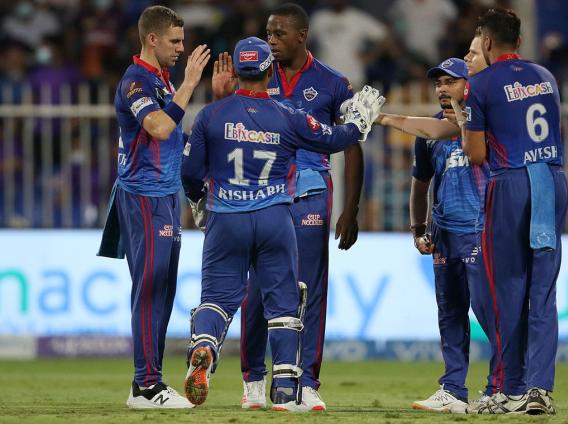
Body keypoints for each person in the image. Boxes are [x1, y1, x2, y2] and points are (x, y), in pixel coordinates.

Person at [180, 36, 384, 411]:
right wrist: (359, 121)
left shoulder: (211, 115)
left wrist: (198, 199)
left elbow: (189, 172)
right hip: (275, 217)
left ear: (236, 72)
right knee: (284, 303)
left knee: (218, 299)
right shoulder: (288, 115)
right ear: (269, 71)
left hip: (226, 217)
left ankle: (205, 346)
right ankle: (288, 390)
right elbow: (335, 138)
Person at [233, 3, 364, 411]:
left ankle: (306, 381)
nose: (271, 40)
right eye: (268, 32)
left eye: (279, 33)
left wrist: (351, 208)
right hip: (261, 192)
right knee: (257, 289)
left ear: (302, 36)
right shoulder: (256, 77)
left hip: (310, 192)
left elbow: (351, 143)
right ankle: (254, 378)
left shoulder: (331, 82)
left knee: (309, 289)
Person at [96, 5, 210, 409]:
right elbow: (160, 128)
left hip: (162, 194)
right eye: (176, 41)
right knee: (149, 288)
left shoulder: (159, 79)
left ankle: (146, 382)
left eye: (183, 40)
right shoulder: (136, 82)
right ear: (152, 39)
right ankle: (146, 385)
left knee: (162, 289)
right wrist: (190, 84)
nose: (182, 48)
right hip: (144, 196)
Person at [462, 8, 568, 415]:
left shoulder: (480, 84)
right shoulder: (546, 77)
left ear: (486, 43)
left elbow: (475, 154)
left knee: (506, 288)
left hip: (511, 184)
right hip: (551, 181)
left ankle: (509, 388)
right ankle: (540, 391)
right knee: (543, 291)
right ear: (519, 43)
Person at [407, 58, 488, 414]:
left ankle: (503, 388)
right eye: (438, 83)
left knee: (490, 313)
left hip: (482, 229)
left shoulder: (486, 124)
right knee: (451, 313)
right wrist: (418, 226)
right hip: (444, 233)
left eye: (450, 82)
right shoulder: (430, 133)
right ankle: (453, 390)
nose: (442, 89)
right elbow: (420, 182)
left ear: (468, 86)